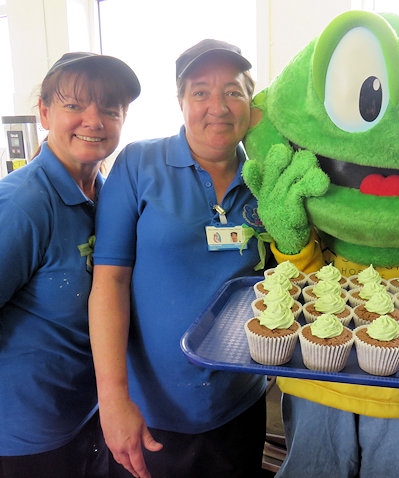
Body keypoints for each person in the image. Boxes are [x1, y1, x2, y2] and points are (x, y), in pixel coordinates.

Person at [88, 39, 269, 478]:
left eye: (233, 91)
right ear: (181, 101)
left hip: (239, 405)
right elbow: (109, 283)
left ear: (252, 102)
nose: (218, 106)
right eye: (201, 91)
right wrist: (112, 402)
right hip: (150, 411)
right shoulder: (138, 165)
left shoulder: (266, 179)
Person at [0, 52, 140, 477]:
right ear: (44, 112)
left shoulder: (108, 195)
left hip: (87, 415)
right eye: (74, 105)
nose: (94, 120)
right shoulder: (23, 205)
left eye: (110, 108)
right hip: (26, 437)